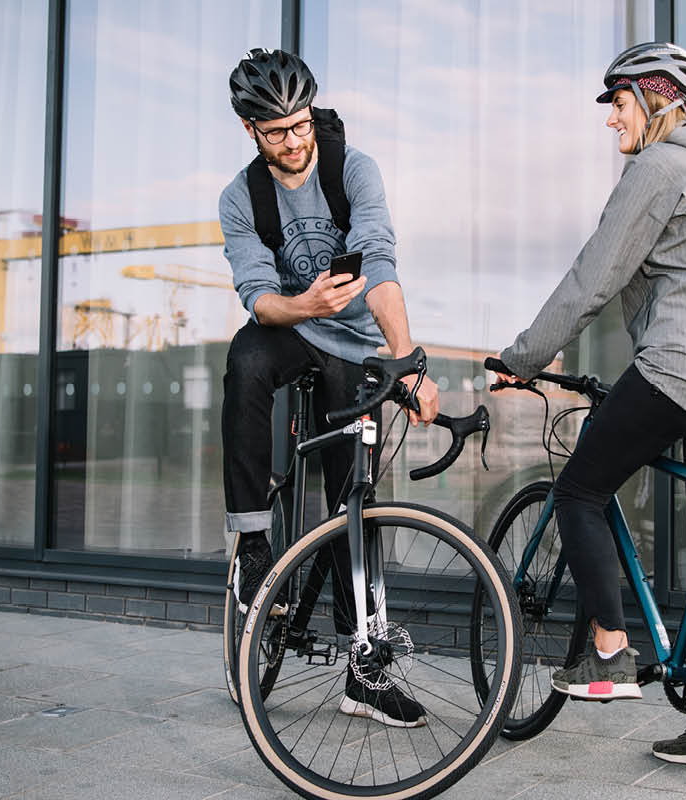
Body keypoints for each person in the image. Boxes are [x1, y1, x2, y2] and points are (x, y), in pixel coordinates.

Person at [493, 42, 686, 772]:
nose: (609, 118)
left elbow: (594, 276)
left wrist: (522, 356)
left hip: (682, 368)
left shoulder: (659, 167)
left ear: (656, 99)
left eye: (616, 102)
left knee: (580, 489)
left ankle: (609, 654)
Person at [219, 48, 438, 729]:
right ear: (250, 130)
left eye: (300, 123)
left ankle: (362, 673)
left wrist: (408, 361)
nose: (293, 139)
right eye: (276, 130)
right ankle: (252, 542)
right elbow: (257, 297)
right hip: (293, 328)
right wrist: (305, 305)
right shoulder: (241, 197)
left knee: (355, 508)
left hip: (356, 348)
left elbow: (378, 258)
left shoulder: (351, 169)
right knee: (247, 359)